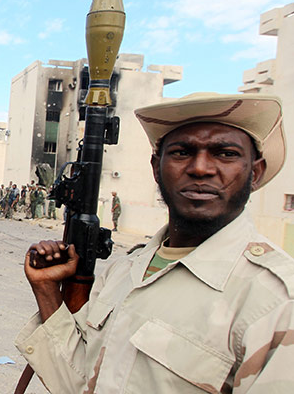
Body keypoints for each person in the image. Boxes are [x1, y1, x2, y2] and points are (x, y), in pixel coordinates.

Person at [16, 93, 293, 393]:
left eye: (225, 153)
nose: (201, 168)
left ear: (255, 172)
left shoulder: (276, 301)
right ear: (155, 167)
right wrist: (46, 290)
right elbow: (78, 380)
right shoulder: (127, 270)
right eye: (181, 152)